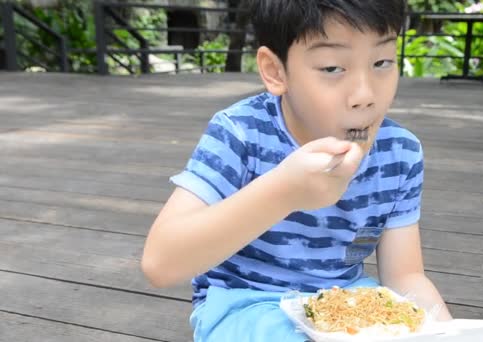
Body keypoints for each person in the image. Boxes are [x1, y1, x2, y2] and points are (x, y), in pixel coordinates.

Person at [141, 0, 452, 341]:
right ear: (276, 71)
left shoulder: (400, 153)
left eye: (382, 62)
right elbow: (160, 263)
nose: (364, 95)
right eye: (333, 68)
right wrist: (283, 192)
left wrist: (450, 333)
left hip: (344, 300)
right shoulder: (242, 134)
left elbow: (405, 277)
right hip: (245, 302)